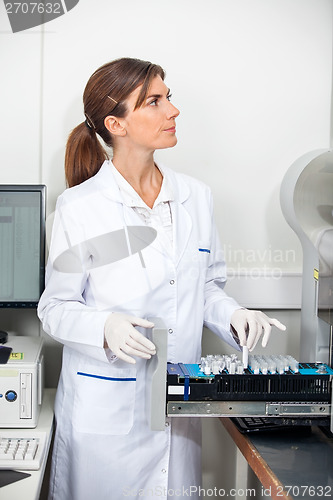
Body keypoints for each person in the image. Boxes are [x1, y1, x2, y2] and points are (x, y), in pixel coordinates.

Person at [38, 57, 286, 500]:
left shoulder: (196, 197)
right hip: (106, 417)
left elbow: (206, 287)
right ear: (116, 123)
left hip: (177, 407)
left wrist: (234, 315)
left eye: (168, 97)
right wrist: (104, 328)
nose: (172, 110)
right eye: (154, 101)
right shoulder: (80, 208)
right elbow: (54, 309)